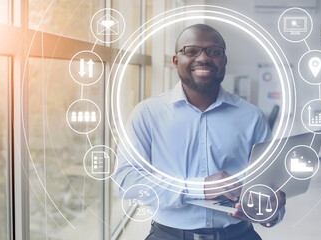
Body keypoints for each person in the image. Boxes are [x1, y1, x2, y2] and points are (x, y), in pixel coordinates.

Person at [114, 24, 286, 240]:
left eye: (214, 52)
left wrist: (268, 212)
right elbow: (126, 182)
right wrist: (198, 188)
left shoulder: (252, 117)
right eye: (191, 50)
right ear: (176, 61)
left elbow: (270, 191)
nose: (203, 58)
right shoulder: (147, 114)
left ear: (223, 61)